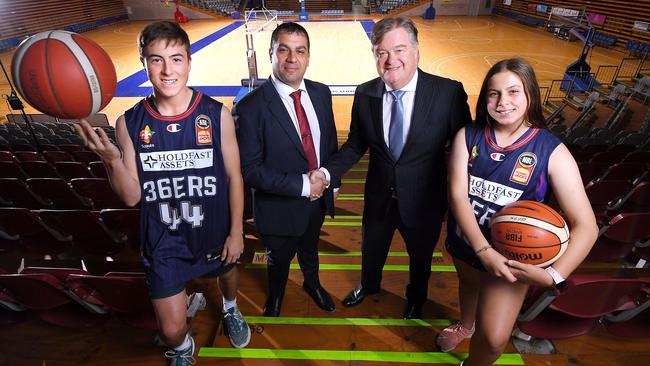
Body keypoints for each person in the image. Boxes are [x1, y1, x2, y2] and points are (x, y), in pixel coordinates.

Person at [74, 21, 251, 366]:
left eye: (176, 58)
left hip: (213, 229)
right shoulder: (129, 123)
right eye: (156, 60)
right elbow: (130, 197)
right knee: (170, 331)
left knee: (227, 275)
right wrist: (112, 160)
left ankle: (230, 307)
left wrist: (236, 232)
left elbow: (233, 176)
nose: (168, 70)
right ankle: (183, 348)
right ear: (144, 63)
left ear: (189, 61)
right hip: (164, 241)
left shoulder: (216, 114)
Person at [437, 58, 598, 365]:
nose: (502, 102)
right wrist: (482, 250)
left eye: (513, 91)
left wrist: (554, 275)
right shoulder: (467, 136)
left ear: (531, 96)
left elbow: (586, 226)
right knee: (468, 284)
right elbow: (458, 195)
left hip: (512, 258)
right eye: (493, 94)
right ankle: (466, 325)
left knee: (496, 339)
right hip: (467, 243)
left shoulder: (552, 151)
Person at [313, 16, 472, 319]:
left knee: (420, 259)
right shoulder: (365, 93)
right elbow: (356, 144)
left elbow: (465, 149)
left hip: (424, 201)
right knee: (371, 253)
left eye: (398, 50)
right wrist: (326, 173)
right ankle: (369, 286)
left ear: (415, 52)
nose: (390, 60)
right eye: (381, 52)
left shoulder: (448, 93)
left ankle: (416, 298)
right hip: (379, 198)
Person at [233, 22, 339, 317]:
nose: (292, 58)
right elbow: (251, 170)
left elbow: (328, 143)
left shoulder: (321, 93)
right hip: (278, 209)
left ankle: (312, 284)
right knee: (277, 260)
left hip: (318, 203)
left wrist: (335, 184)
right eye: (284, 50)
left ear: (308, 56)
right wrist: (305, 185)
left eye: (300, 51)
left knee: (310, 249)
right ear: (271, 53)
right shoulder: (250, 108)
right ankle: (276, 295)